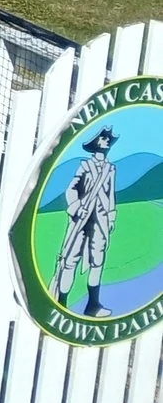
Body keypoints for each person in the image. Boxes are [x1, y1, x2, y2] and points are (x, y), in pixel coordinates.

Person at [55, 126, 121, 316]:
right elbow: (71, 189)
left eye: (108, 139)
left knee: (97, 261)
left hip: (100, 220)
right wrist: (76, 206)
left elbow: (110, 195)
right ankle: (61, 303)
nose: (106, 141)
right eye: (103, 138)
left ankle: (93, 305)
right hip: (81, 220)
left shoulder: (110, 168)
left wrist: (111, 216)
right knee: (70, 260)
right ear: (96, 144)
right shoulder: (85, 166)